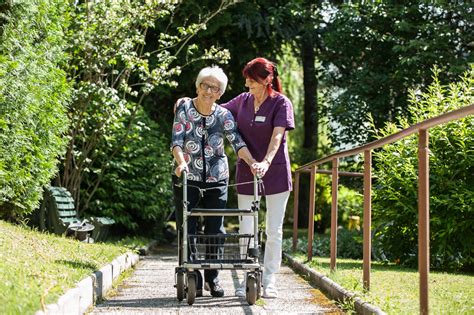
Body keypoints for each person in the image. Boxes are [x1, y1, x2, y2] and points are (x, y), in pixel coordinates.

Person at [171, 66, 256, 298]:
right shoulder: (184, 109)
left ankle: (212, 278)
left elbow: (237, 143)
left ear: (220, 93)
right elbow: (176, 141)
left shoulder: (224, 115)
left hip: (217, 178)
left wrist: (253, 162)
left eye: (214, 88)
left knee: (214, 229)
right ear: (197, 86)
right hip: (187, 176)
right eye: (204, 85)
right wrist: (182, 162)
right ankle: (194, 277)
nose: (208, 91)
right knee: (186, 228)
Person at [220, 57, 295, 299]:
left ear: (268, 80)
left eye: (252, 79)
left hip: (275, 171)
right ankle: (245, 278)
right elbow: (216, 109)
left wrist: (265, 162)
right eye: (247, 79)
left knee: (274, 230)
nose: (247, 83)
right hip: (246, 171)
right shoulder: (242, 101)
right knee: (246, 228)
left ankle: (270, 280)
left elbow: (277, 138)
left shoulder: (281, 103)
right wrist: (188, 103)